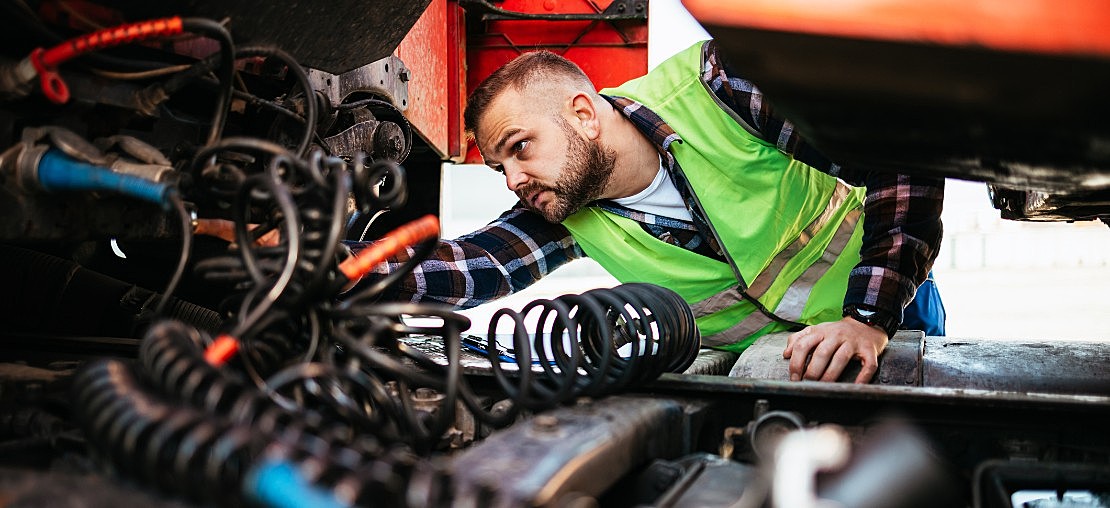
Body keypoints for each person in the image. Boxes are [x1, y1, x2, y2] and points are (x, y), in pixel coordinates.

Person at [345, 39, 945, 384]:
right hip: (781, 371)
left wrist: (868, 317)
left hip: (892, 311)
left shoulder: (717, 88)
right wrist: (329, 268)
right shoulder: (564, 207)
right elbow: (470, 267)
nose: (514, 180)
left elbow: (895, 152)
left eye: (520, 147)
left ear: (583, 113)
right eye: (499, 167)